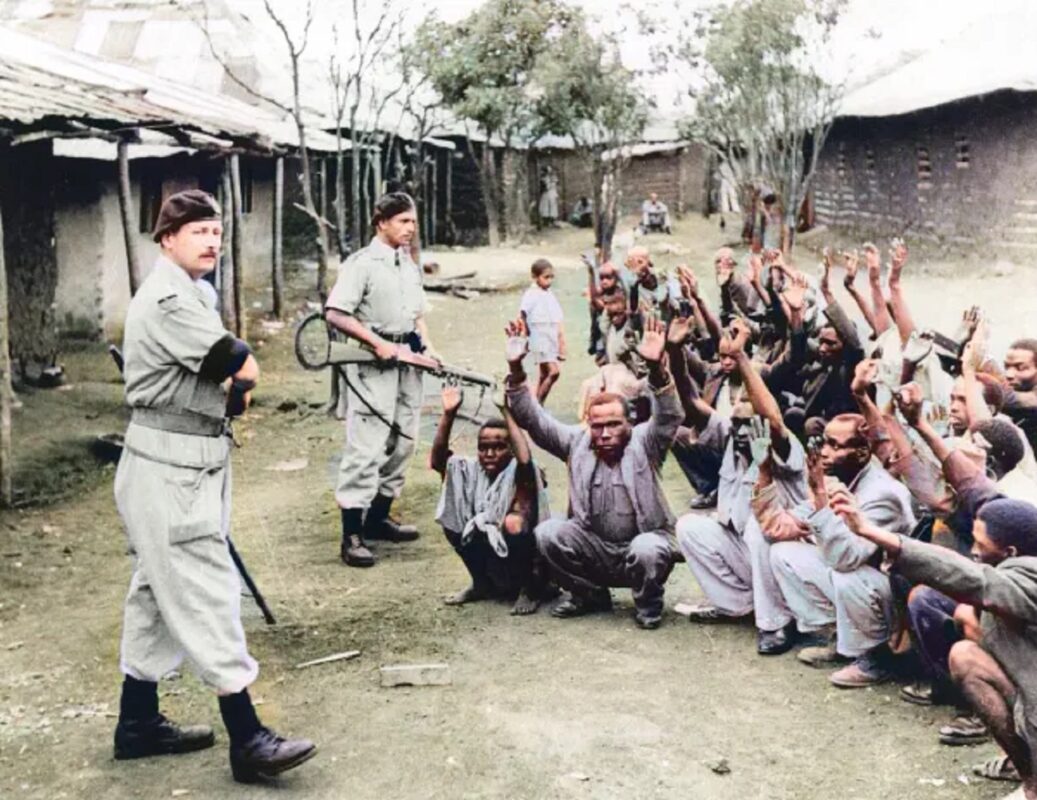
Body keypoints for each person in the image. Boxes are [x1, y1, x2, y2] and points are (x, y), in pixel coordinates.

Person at [113, 190, 315, 782]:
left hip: (186, 459)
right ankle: (247, 737)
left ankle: (137, 722)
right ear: (166, 239)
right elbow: (242, 366)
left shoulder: (194, 292)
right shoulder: (170, 298)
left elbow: (231, 388)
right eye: (197, 231)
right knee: (207, 590)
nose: (211, 242)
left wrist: (234, 389)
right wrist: (241, 382)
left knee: (156, 594)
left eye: (217, 232)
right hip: (170, 468)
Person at [831, 489, 1037, 800]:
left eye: (981, 545)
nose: (974, 551)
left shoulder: (1030, 578)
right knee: (965, 656)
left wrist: (872, 532)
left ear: (1010, 552)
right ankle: (1030, 779)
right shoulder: (1017, 572)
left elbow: (974, 579)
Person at [504, 315, 682, 629]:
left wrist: (656, 368)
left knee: (647, 548)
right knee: (548, 533)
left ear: (630, 423)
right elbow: (534, 421)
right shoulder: (577, 442)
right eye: (597, 426)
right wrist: (516, 369)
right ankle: (588, 595)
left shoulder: (647, 442)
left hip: (642, 545)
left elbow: (669, 415)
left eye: (613, 424)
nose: (605, 433)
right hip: (594, 547)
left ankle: (648, 604)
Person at [675, 319, 810, 655]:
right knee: (690, 526)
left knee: (757, 528)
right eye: (735, 424)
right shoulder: (733, 443)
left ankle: (776, 621)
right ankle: (739, 606)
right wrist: (674, 353)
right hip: (750, 553)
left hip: (789, 556)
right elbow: (691, 404)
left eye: (748, 424)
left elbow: (774, 422)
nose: (740, 431)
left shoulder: (783, 448)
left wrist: (742, 359)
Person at [325, 192, 438, 568]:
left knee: (405, 440)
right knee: (367, 445)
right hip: (373, 364)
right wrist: (376, 343)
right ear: (382, 223)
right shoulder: (362, 264)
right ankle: (351, 534)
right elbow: (336, 313)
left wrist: (428, 348)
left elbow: (416, 315)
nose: (411, 228)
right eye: (403, 221)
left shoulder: (407, 264)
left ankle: (378, 517)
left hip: (408, 361)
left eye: (413, 221)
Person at [769, 413, 916, 687]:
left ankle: (877, 657)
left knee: (847, 575)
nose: (824, 452)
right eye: (824, 442)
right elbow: (783, 523)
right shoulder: (844, 478)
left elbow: (846, 559)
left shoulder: (883, 493)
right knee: (784, 554)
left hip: (898, 604)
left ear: (862, 453)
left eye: (835, 446)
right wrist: (763, 472)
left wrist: (820, 499)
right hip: (864, 581)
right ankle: (843, 640)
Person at [431, 386, 550, 615]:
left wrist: (505, 411)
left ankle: (530, 589)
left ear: (512, 449)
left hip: (533, 561)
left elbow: (525, 460)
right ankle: (481, 583)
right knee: (453, 518)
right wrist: (449, 414)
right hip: (493, 556)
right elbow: (438, 462)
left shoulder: (521, 471)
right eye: (483, 448)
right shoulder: (471, 470)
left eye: (498, 447)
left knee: (513, 523)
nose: (489, 454)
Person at [519, 258, 567, 404]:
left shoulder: (548, 293)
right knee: (554, 372)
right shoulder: (531, 294)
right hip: (539, 337)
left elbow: (556, 317)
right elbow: (523, 313)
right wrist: (526, 334)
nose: (549, 281)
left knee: (544, 373)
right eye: (546, 277)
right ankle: (537, 405)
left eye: (551, 277)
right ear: (535, 277)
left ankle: (537, 403)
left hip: (549, 336)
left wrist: (560, 341)